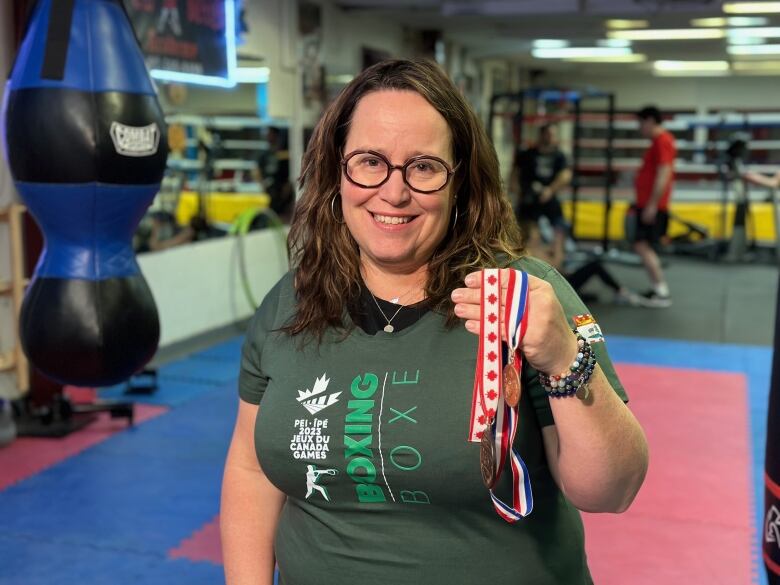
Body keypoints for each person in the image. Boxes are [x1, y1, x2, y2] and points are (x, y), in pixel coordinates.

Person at [221, 59, 649, 585]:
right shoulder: (291, 302)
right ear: (338, 169)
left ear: (458, 179)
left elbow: (613, 490)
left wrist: (564, 358)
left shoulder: (520, 297)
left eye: (422, 166)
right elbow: (249, 468)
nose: (394, 192)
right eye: (370, 161)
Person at [631, 105, 676, 308]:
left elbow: (664, 173)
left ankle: (662, 292)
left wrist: (652, 205)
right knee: (642, 245)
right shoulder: (657, 142)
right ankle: (658, 289)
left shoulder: (663, 140)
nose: (640, 128)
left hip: (653, 206)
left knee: (642, 245)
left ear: (649, 121)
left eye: (641, 123)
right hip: (648, 204)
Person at [510, 123, 572, 268]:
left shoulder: (559, 155)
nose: (551, 138)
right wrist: (516, 190)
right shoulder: (527, 154)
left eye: (553, 135)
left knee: (559, 230)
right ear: (542, 135)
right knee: (528, 233)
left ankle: (559, 265)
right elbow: (515, 173)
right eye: (549, 134)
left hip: (549, 199)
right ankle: (526, 264)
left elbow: (565, 175)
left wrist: (550, 190)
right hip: (529, 200)